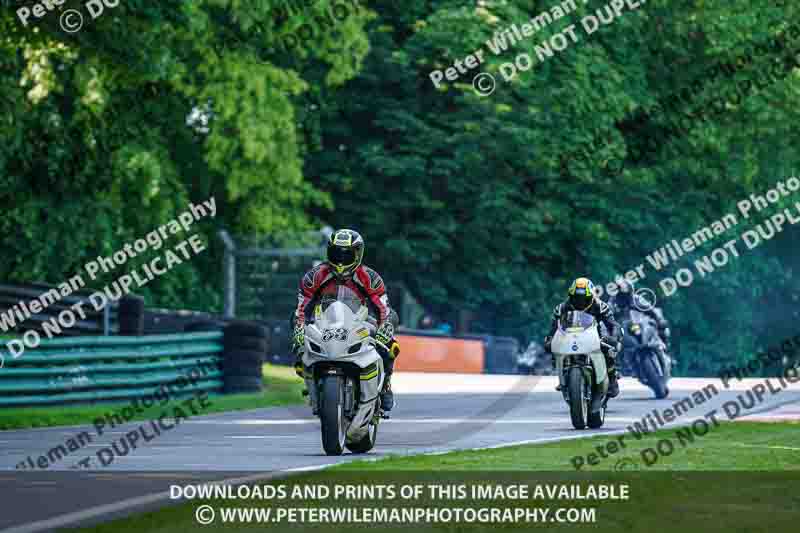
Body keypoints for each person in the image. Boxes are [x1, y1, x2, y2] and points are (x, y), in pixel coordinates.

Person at [290, 229, 401, 410]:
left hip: (361, 322)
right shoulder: (314, 277)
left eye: (346, 255)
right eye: (336, 254)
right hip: (324, 322)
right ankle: (304, 365)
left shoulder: (370, 278)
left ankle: (385, 385)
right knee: (294, 323)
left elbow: (383, 309)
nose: (341, 260)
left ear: (358, 254)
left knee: (390, 343)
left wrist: (385, 327)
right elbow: (301, 308)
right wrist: (299, 329)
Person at [543, 277, 622, 398]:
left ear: (591, 296)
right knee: (554, 351)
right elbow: (553, 329)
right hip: (569, 337)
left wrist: (614, 337)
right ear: (571, 295)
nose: (580, 301)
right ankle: (563, 377)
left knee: (609, 351)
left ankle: (611, 380)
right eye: (577, 298)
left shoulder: (600, 306)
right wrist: (549, 340)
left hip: (593, 337)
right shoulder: (561, 308)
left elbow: (613, 324)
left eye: (584, 298)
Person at [608, 279, 672, 362]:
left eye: (625, 288)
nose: (623, 291)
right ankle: (615, 363)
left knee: (660, 327)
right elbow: (607, 311)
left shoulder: (636, 299)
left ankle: (665, 350)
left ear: (630, 289)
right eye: (621, 288)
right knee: (611, 341)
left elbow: (649, 308)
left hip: (638, 324)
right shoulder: (613, 300)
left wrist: (658, 318)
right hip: (622, 328)